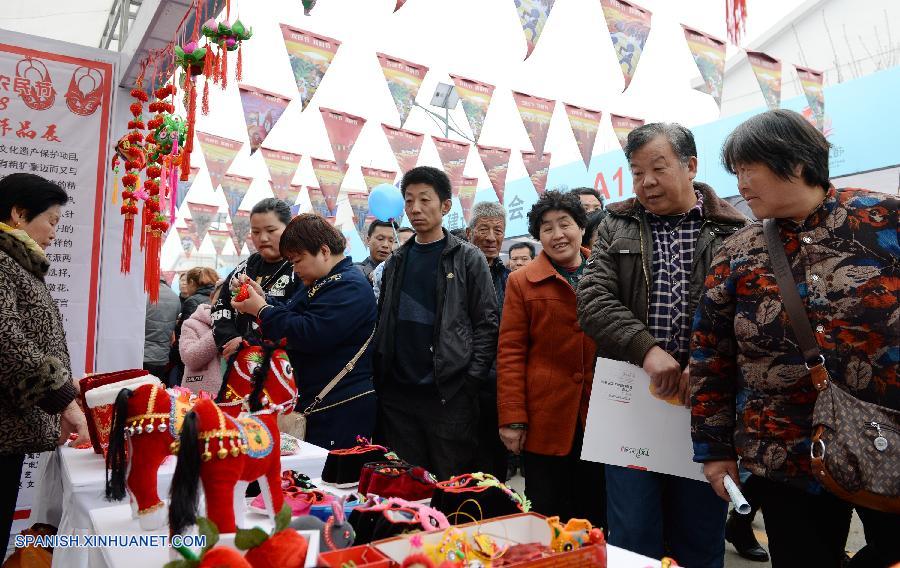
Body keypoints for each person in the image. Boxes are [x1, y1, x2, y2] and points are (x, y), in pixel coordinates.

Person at [691, 109, 900, 568]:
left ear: (798, 162)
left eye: (750, 169)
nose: (741, 184)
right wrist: (715, 451)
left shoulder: (884, 220)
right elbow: (710, 356)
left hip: (887, 440)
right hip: (783, 451)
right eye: (736, 172)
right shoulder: (737, 252)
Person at [576, 123, 746, 567]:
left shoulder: (734, 230)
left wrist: (707, 364)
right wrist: (647, 350)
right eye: (636, 172)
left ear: (690, 166)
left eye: (657, 167)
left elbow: (749, 314)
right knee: (632, 533)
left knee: (700, 532)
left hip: (705, 405)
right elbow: (592, 300)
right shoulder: (616, 224)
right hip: (632, 404)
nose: (646, 182)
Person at [373, 166, 499, 480]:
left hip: (448, 395)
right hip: (399, 396)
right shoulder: (397, 261)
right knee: (406, 486)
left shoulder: (468, 258)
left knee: (450, 483)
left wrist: (470, 379)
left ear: (445, 206)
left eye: (425, 200)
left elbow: (487, 323)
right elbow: (384, 320)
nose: (415, 208)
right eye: (409, 200)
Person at [498, 190, 605, 527]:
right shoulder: (521, 282)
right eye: (547, 228)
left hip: (600, 413)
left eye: (565, 224)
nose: (558, 234)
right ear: (538, 236)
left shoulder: (606, 273)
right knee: (548, 514)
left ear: (581, 227)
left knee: (595, 514)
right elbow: (511, 353)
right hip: (546, 416)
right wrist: (513, 418)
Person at [0, 173, 89, 556]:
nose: (55, 231)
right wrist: (63, 399)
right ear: (19, 214)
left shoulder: (17, 264)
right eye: (51, 220)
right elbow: (7, 342)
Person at [233, 214, 377, 450]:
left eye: (297, 260)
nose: (294, 268)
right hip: (320, 399)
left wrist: (261, 309)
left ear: (324, 251)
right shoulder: (324, 281)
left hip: (339, 404)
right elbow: (293, 314)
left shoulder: (349, 285)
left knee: (328, 482)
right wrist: (264, 299)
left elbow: (310, 332)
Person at [212, 198, 297, 359]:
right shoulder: (243, 269)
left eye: (271, 230)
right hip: (239, 362)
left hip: (283, 366)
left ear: (289, 229)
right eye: (256, 232)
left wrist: (249, 342)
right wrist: (231, 339)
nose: (263, 238)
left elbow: (300, 317)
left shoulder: (299, 269)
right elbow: (220, 307)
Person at [466, 201, 511, 481]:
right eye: (484, 229)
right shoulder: (458, 272)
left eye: (498, 230)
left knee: (494, 465)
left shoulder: (510, 279)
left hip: (498, 384)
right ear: (471, 233)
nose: (492, 237)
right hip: (463, 380)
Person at [169, 266, 217, 386]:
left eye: (187, 282)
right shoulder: (216, 298)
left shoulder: (192, 301)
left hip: (195, 356)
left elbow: (186, 334)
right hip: (214, 359)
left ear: (191, 282)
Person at [180, 284, 225, 396]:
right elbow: (190, 358)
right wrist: (219, 330)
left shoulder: (245, 324)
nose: (224, 304)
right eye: (220, 299)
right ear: (211, 297)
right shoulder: (192, 324)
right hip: (201, 395)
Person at [143, 277, 181, 379]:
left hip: (143, 355)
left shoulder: (144, 293)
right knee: (155, 390)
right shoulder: (175, 297)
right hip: (162, 356)